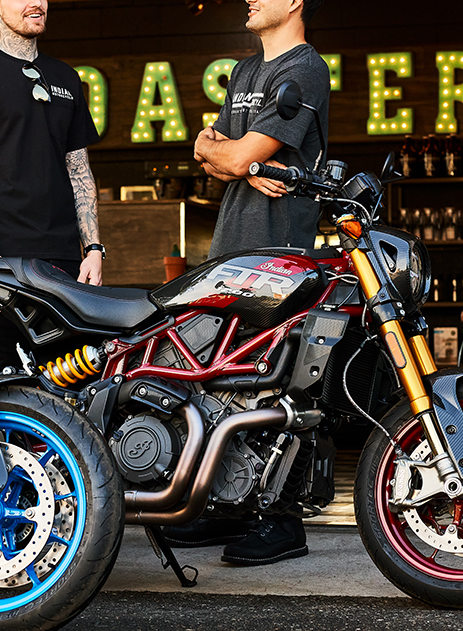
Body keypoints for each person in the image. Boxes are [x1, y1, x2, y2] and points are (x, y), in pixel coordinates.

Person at [170, 0, 329, 567]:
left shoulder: (305, 69)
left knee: (279, 381)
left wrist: (238, 160)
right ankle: (233, 507)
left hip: (280, 248)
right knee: (227, 380)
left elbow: (233, 157)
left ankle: (283, 520)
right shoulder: (243, 71)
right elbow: (210, 153)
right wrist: (240, 161)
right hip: (232, 247)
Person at [0, 0, 105, 375]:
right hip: (2, 263)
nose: (36, 3)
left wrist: (92, 249)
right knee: (2, 384)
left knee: (71, 384)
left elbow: (79, 170)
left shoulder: (66, 77)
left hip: (65, 266)